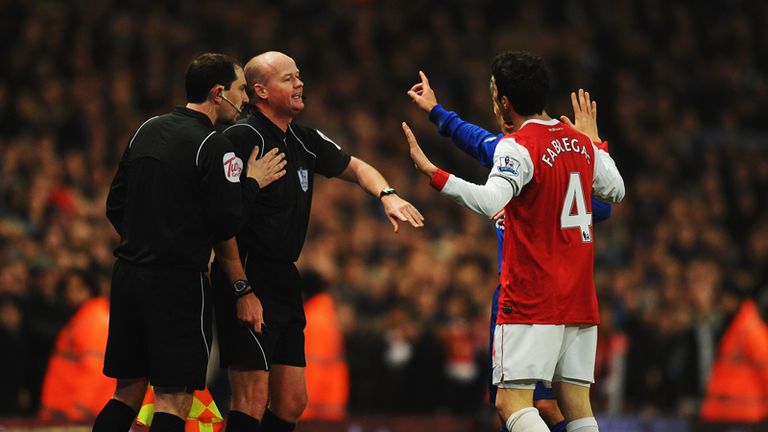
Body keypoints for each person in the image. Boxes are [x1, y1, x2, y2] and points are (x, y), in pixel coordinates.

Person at [402, 51, 624, 432]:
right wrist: (437, 112)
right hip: (579, 297)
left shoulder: (519, 148)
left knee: (512, 404)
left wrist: (433, 173)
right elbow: (615, 192)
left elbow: (490, 199)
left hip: (530, 297)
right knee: (576, 406)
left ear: (504, 100)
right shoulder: (576, 143)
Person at [211, 51, 424, 432]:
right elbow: (221, 223)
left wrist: (387, 194)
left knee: (292, 402)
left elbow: (357, 167)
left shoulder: (304, 140)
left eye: (299, 76)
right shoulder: (239, 140)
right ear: (260, 91)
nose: (300, 84)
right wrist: (241, 288)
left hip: (283, 277)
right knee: (251, 398)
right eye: (288, 78)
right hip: (246, 272)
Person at [92, 53, 286, 432]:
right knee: (173, 398)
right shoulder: (216, 146)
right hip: (177, 283)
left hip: (129, 275)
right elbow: (227, 220)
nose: (245, 99)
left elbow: (115, 203)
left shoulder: (145, 129)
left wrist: (146, 237)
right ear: (218, 93)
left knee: (126, 393)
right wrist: (252, 181)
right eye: (240, 89)